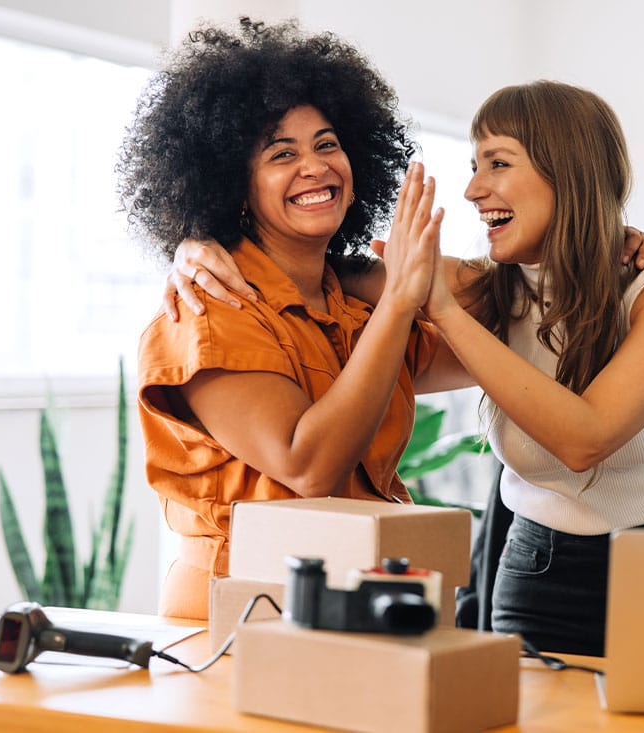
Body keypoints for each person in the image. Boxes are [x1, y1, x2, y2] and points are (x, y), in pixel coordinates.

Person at [173, 80, 644, 656]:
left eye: (497, 163)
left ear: (571, 172)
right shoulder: (483, 287)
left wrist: (441, 307)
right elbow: (299, 259)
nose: (473, 190)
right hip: (537, 569)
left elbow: (586, 439)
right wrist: (196, 242)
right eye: (474, 165)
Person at [115, 18, 467, 620]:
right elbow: (307, 465)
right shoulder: (206, 310)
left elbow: (500, 307)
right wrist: (401, 296)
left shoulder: (351, 305)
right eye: (282, 153)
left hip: (354, 602)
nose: (314, 166)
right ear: (231, 184)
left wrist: (611, 247)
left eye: (327, 144)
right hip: (236, 614)